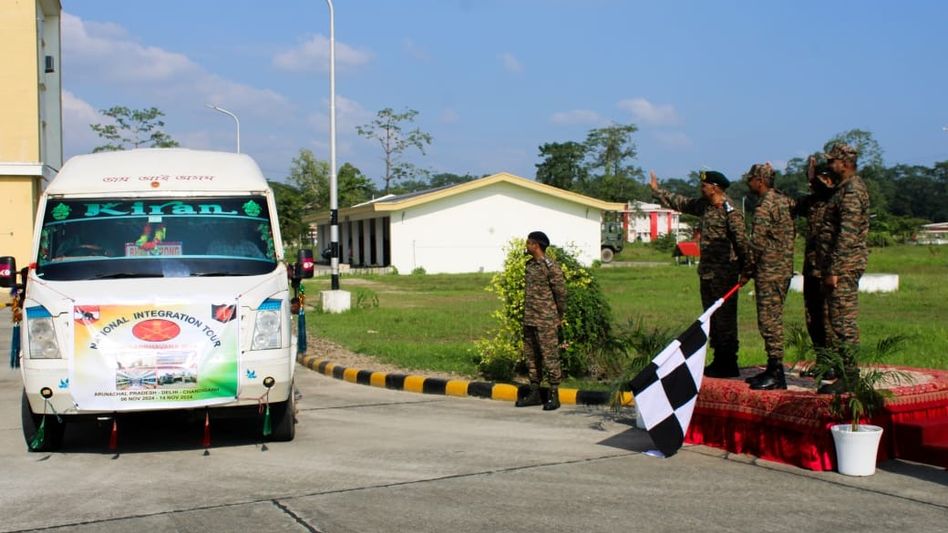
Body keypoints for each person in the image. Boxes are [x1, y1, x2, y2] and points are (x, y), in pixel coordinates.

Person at [650, 170, 753, 378]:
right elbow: (681, 202)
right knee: (711, 317)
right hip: (707, 273)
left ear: (715, 187)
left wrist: (747, 270)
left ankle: (728, 361)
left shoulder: (730, 212)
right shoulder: (704, 206)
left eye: (704, 185)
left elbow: (742, 243)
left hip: (725, 274)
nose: (701, 188)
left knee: (725, 319)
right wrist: (657, 191)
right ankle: (719, 359)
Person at [817, 142, 870, 394]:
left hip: (844, 266)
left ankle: (850, 375)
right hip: (840, 264)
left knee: (843, 320)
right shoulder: (842, 189)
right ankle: (843, 371)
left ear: (845, 163)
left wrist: (834, 269)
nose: (829, 166)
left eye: (832, 161)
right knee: (836, 319)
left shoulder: (851, 191)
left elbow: (846, 234)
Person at [741, 163, 795, 390]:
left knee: (769, 322)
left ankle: (776, 373)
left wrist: (747, 270)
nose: (748, 183)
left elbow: (757, 244)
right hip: (782, 268)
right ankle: (772, 369)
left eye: (751, 179)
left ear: (760, 181)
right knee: (772, 319)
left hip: (770, 271)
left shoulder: (765, 207)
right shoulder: (784, 201)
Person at [793, 158, 837, 377]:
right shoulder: (811, 203)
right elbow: (789, 204)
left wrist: (812, 174)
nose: (812, 185)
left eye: (818, 180)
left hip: (830, 270)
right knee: (813, 316)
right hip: (811, 268)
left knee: (830, 317)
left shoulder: (837, 199)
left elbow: (825, 186)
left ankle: (835, 363)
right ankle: (822, 360)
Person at [516, 231, 567, 410]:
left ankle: (554, 394)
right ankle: (535, 393)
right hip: (530, 318)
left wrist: (559, 316)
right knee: (531, 356)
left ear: (536, 245)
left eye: (528, 243)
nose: (526, 246)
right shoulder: (529, 266)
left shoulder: (550, 267)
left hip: (546, 319)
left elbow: (560, 293)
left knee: (549, 356)